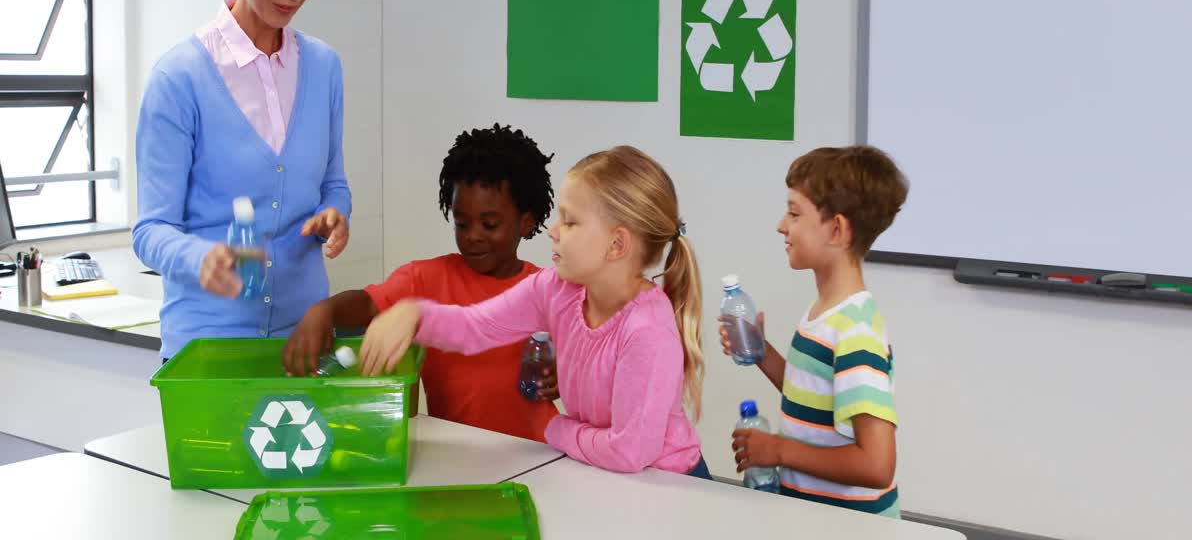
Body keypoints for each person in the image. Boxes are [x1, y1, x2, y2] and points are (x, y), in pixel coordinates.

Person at [361, 146, 710, 477]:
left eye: (570, 222)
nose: (553, 231)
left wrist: (552, 427)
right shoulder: (555, 289)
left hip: (673, 484)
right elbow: (475, 327)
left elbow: (629, 452)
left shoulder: (647, 331)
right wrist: (413, 315)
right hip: (607, 474)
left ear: (616, 244)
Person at [134, 0, 351, 360]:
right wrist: (199, 259)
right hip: (209, 345)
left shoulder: (324, 67)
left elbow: (334, 183)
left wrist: (336, 216)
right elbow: (150, 231)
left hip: (303, 342)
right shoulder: (178, 78)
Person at [283, 123, 560, 442]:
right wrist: (324, 311)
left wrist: (563, 379)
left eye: (490, 224)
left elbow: (587, 364)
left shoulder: (547, 290)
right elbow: (366, 304)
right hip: (457, 454)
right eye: (461, 223)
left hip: (536, 455)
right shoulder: (426, 279)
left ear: (526, 222)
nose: (472, 237)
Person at [725, 146, 908, 517]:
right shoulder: (824, 314)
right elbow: (814, 399)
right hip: (818, 518)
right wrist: (763, 354)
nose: (781, 225)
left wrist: (777, 451)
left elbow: (876, 464)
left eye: (794, 213)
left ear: (837, 229)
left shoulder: (857, 333)